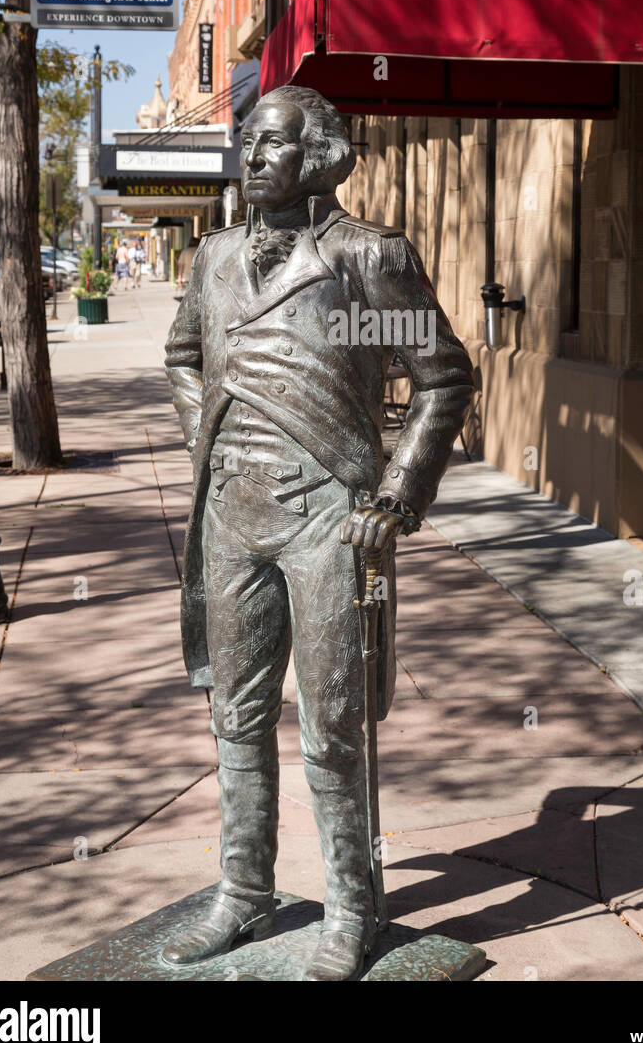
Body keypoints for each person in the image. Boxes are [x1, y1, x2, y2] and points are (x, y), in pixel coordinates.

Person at [164, 86, 473, 980]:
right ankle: (242, 892)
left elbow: (443, 379)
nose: (253, 158)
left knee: (334, 724)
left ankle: (351, 905)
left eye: (271, 144)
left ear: (320, 157)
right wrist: (206, 442)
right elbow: (184, 357)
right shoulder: (215, 258)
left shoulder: (367, 259)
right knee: (236, 712)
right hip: (232, 513)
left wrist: (396, 495)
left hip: (329, 520)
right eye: (248, 143)